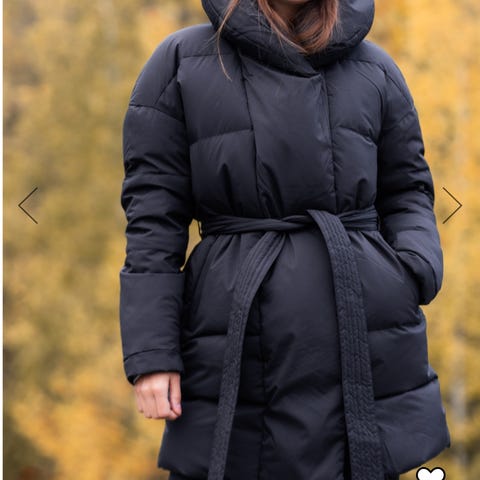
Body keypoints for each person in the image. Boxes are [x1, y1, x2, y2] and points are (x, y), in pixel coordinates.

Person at [119, 0, 451, 479]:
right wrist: (152, 354)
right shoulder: (181, 62)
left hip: (362, 323)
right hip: (232, 331)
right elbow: (153, 219)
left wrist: (412, 269)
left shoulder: (375, 68)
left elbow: (408, 190)